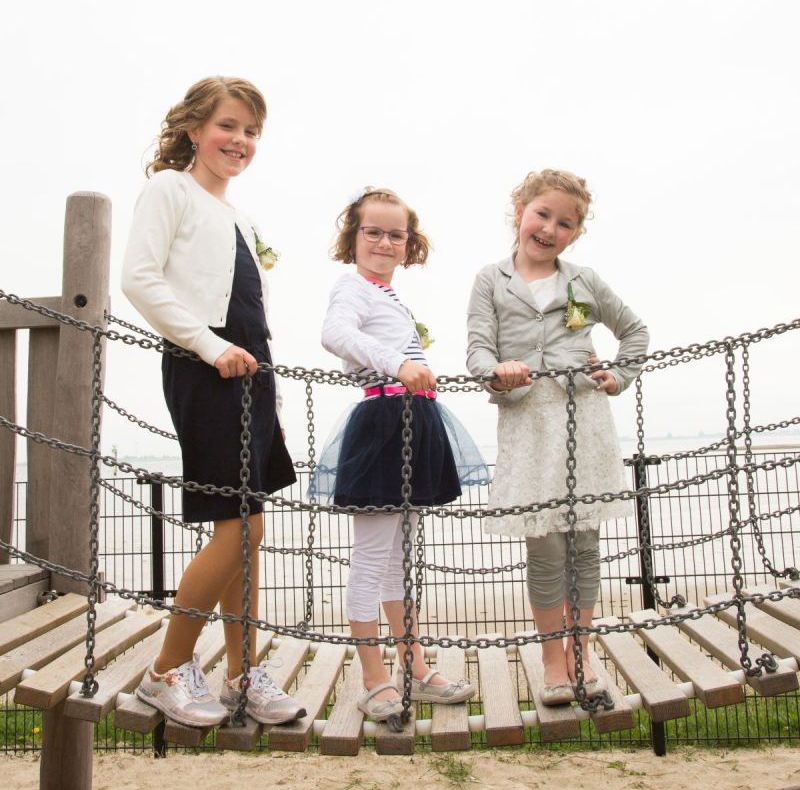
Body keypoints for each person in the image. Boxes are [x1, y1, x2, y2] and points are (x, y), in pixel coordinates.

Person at [121, 76, 303, 728]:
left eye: (251, 131)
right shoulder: (169, 189)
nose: (240, 140)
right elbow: (138, 279)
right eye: (228, 125)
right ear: (194, 129)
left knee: (248, 530)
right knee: (243, 527)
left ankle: (242, 674)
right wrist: (206, 344)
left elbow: (251, 311)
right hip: (206, 370)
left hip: (251, 376)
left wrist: (269, 397)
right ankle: (167, 668)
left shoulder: (240, 218)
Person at [466, 169, 649, 705]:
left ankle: (582, 654)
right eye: (542, 214)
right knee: (545, 549)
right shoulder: (489, 279)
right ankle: (552, 661)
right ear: (519, 209)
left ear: (575, 234)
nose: (549, 228)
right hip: (527, 424)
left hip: (584, 421)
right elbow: (476, 350)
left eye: (563, 223)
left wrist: (618, 377)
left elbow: (635, 332)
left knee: (585, 548)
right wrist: (497, 370)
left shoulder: (585, 280)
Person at [310, 188, 488, 721]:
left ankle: (413, 667)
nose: (385, 242)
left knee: (398, 561)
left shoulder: (386, 295)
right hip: (385, 422)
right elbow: (334, 334)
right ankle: (373, 677)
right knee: (370, 561)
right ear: (354, 238)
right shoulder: (353, 287)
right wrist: (396, 363)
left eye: (396, 234)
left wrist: (406, 365)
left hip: (414, 420)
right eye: (373, 232)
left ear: (409, 245)